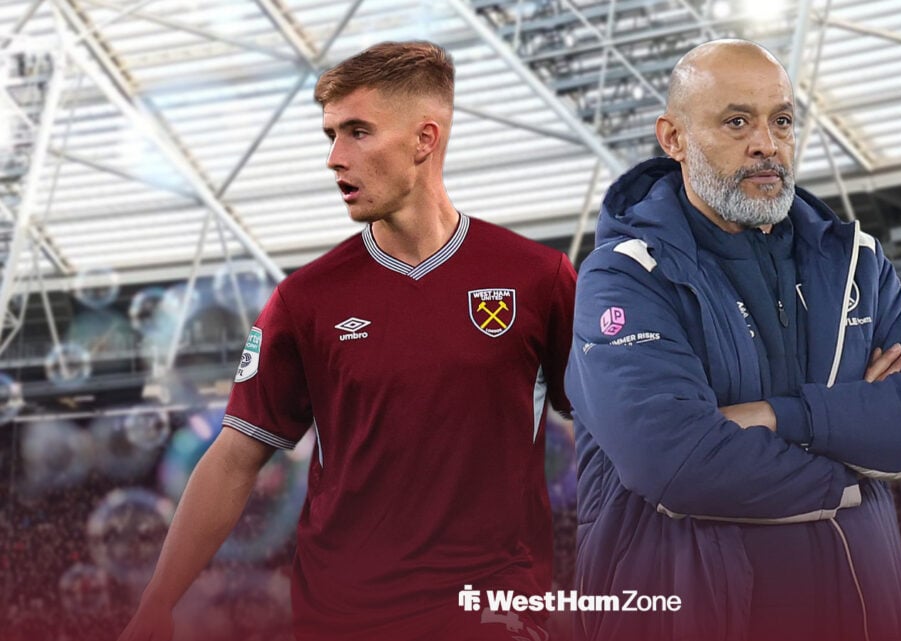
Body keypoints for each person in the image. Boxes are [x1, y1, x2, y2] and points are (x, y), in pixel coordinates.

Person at [118, 41, 575, 641]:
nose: (334, 158)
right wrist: (159, 600)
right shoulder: (305, 301)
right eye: (330, 134)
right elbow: (234, 457)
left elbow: (614, 428)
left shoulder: (537, 279)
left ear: (424, 139)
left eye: (358, 132)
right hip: (344, 618)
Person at [566, 39, 901, 641]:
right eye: (736, 122)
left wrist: (778, 417)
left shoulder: (856, 262)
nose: (766, 143)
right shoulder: (624, 275)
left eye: (781, 120)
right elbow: (677, 461)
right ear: (672, 138)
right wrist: (855, 464)